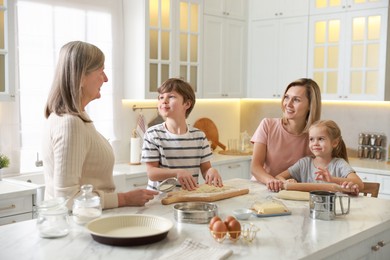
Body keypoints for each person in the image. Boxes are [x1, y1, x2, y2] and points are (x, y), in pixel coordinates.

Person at [42, 41, 158, 209]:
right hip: (81, 226)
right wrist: (124, 199)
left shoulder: (76, 117)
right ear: (81, 77)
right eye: (101, 71)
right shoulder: (70, 123)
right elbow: (67, 200)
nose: (105, 78)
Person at [141, 78, 223, 191]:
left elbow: (205, 169)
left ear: (187, 104)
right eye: (161, 97)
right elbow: (152, 173)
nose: (164, 101)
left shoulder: (199, 136)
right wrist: (177, 172)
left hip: (188, 197)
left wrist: (211, 171)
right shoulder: (153, 134)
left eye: (171, 96)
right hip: (160, 199)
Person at [251, 78, 322, 191]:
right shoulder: (267, 125)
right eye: (286, 97)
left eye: (296, 100)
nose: (288, 104)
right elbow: (255, 167)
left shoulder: (315, 137)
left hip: (294, 193)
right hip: (262, 189)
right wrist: (271, 181)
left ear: (310, 105)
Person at [272, 120, 364, 195]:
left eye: (321, 139)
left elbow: (359, 184)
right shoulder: (304, 164)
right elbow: (278, 177)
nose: (315, 143)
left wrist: (332, 179)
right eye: (311, 139)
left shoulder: (339, 164)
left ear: (335, 143)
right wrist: (287, 182)